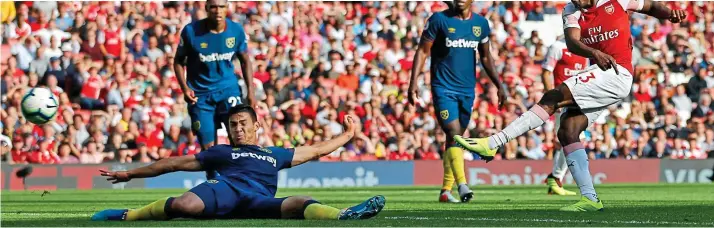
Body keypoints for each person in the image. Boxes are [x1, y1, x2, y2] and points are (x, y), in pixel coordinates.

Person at [456, 0, 686, 211]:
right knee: (568, 131)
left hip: (618, 73)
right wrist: (594, 52)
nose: (578, 1)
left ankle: (494, 142)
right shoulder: (571, 10)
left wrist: (670, 14)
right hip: (600, 74)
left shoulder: (617, 0)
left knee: (551, 98)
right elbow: (573, 42)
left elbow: (651, 6)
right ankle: (590, 199)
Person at [91, 104, 385, 221]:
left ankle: (343, 215)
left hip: (256, 200)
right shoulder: (221, 152)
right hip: (224, 188)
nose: (238, 129)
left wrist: (347, 134)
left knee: (299, 201)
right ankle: (127, 215)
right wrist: (130, 173)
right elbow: (171, 163)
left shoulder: (275, 154)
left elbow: (317, 150)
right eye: (233, 125)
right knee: (184, 206)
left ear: (257, 126)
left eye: (243, 123)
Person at [408, 0, 506, 203]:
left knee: (455, 138)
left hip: (467, 90)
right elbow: (423, 51)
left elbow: (486, 57)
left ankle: (445, 191)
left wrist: (499, 85)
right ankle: (463, 185)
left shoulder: (481, 24)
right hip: (443, 88)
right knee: (453, 132)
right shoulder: (439, 20)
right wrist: (413, 82)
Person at [174, 0, 256, 179]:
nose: (217, 11)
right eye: (213, 7)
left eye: (221, 6)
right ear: (206, 9)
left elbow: (245, 60)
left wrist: (251, 91)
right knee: (208, 148)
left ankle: (243, 181)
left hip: (229, 91)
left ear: (227, 8)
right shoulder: (191, 32)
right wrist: (184, 88)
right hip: (200, 96)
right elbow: (178, 61)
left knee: (239, 137)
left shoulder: (236, 30)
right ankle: (215, 185)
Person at [540, 38, 588, 196]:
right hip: (562, 101)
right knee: (569, 139)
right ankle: (556, 177)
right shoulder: (558, 47)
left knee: (571, 140)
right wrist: (551, 99)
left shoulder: (584, 49)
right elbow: (546, 72)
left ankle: (555, 178)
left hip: (578, 102)